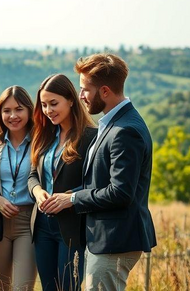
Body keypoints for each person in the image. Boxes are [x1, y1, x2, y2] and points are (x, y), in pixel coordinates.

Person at [41, 54, 156, 290]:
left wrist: (72, 198)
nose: (80, 95)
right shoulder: (113, 123)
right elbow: (102, 182)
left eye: (84, 89)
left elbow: (121, 192)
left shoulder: (125, 131)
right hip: (106, 240)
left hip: (114, 240)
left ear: (104, 91)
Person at [27, 74, 96, 291]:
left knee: (68, 287)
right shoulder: (44, 135)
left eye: (54, 103)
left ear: (71, 100)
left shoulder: (92, 137)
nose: (48, 110)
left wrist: (68, 199)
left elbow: (97, 183)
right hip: (41, 226)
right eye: (44, 105)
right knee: (48, 287)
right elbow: (32, 176)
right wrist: (38, 192)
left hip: (72, 226)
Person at [0, 86, 38, 291]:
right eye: (6, 110)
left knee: (23, 287)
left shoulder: (41, 144)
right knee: (1, 286)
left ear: (29, 111)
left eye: (19, 109)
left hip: (28, 222)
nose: (13, 115)